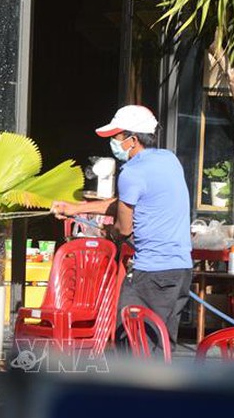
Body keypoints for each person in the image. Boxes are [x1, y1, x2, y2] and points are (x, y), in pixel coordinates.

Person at [51, 105, 193, 354]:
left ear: (132, 140)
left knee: (129, 343)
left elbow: (124, 227)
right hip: (180, 271)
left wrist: (111, 233)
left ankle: (132, 392)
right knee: (161, 347)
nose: (113, 143)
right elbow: (124, 202)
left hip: (151, 274)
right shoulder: (170, 161)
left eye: (116, 138)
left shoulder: (132, 172)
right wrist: (74, 209)